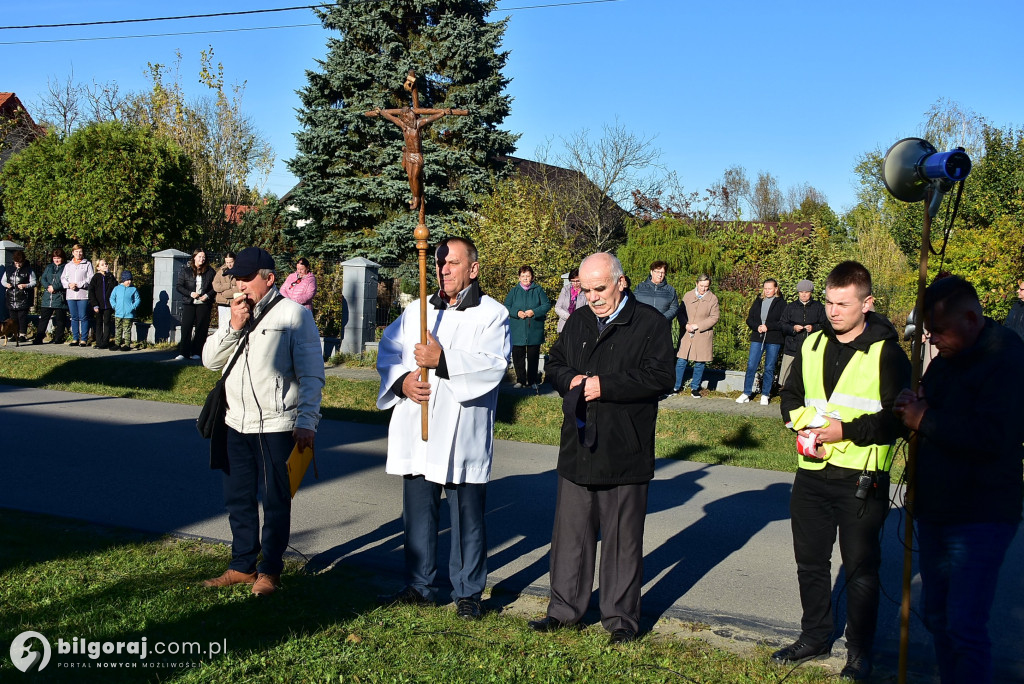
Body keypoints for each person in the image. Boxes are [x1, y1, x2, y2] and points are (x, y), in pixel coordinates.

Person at [530, 252, 674, 644]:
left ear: (621, 282)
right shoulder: (578, 320)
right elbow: (554, 363)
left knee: (621, 543)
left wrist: (603, 386)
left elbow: (661, 376)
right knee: (570, 538)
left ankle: (621, 621)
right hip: (578, 445)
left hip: (624, 449)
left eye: (599, 288)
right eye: (585, 289)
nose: (592, 297)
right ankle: (563, 611)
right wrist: (572, 379)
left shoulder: (650, 324)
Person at [775, 261, 911, 680]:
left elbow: (898, 418)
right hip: (811, 474)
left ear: (867, 304)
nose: (832, 311)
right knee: (810, 563)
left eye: (842, 304)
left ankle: (858, 653)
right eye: (829, 302)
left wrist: (843, 431)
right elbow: (790, 397)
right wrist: (806, 428)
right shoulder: (812, 344)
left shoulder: (887, 352)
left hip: (862, 479)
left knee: (860, 569)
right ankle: (814, 635)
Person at [894, 276, 1024, 684]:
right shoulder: (948, 357)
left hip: (981, 513)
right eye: (929, 332)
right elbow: (929, 405)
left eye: (939, 332)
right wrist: (912, 407)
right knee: (937, 617)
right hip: (936, 506)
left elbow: (994, 437)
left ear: (972, 317)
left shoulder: (1007, 359)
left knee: (965, 624)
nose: (933, 341)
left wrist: (926, 419)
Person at [375, 236, 511, 619]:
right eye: (439, 263)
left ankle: (467, 591)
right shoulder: (418, 310)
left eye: (452, 263)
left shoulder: (492, 314)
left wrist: (443, 360)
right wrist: (401, 381)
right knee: (417, 512)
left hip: (460, 429)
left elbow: (494, 365)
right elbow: (388, 352)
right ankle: (419, 584)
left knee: (466, 515)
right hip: (420, 427)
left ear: (473, 268)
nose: (443, 269)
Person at [201, 247, 325, 597]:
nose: (239, 283)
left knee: (275, 500)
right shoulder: (233, 313)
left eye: (246, 277)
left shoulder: (294, 315)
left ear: (269, 278)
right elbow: (210, 362)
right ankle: (242, 565)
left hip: (276, 425)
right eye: (236, 277)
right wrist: (233, 327)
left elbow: (312, 374)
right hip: (233, 421)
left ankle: (269, 570)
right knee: (237, 498)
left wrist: (307, 421)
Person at [737, 278, 786, 405]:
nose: (767, 291)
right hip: (757, 337)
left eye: (770, 288)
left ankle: (765, 394)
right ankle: (746, 392)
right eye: (765, 288)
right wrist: (757, 326)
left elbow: (782, 322)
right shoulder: (758, 301)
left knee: (769, 367)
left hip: (773, 339)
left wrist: (768, 326)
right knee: (751, 365)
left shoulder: (781, 303)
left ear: (776, 289)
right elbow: (750, 319)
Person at [504, 265, 551, 389]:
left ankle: (532, 381)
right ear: (519, 277)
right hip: (517, 329)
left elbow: (546, 305)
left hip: (534, 330)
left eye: (528, 276)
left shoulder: (538, 290)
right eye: (523, 276)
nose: (525, 278)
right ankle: (520, 380)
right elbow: (506, 306)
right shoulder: (514, 291)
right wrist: (516, 312)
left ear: (532, 277)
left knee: (533, 357)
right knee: (517, 356)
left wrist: (534, 312)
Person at [673, 274, 719, 398]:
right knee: (681, 360)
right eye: (701, 286)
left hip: (703, 334)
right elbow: (680, 312)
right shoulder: (688, 295)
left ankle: (695, 387)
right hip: (687, 332)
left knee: (700, 362)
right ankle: (676, 386)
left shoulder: (713, 299)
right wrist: (685, 324)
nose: (704, 289)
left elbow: (714, 317)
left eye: (706, 286)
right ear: (696, 283)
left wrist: (698, 326)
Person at [779, 280, 827, 390]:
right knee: (787, 374)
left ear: (811, 293)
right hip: (792, 346)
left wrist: (814, 328)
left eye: (806, 292)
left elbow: (825, 324)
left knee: (809, 374)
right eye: (801, 292)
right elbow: (782, 324)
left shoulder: (819, 307)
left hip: (812, 347)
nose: (804, 294)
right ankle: (786, 392)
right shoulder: (791, 307)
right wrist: (793, 328)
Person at [175, 248, 215, 361]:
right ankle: (183, 352)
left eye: (203, 257)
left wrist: (207, 296)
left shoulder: (210, 272)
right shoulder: (186, 271)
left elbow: (214, 287)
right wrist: (190, 293)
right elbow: (179, 286)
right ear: (194, 257)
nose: (202, 259)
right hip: (189, 303)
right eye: (199, 257)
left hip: (203, 304)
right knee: (186, 327)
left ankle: (197, 352)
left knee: (201, 328)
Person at [60, 244, 94, 347]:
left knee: (83, 317)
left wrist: (79, 284)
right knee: (74, 317)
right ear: (73, 252)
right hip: (71, 295)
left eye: (80, 251)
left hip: (83, 295)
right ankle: (75, 338)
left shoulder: (87, 264)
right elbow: (63, 278)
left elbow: (90, 278)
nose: (78, 254)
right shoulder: (68, 265)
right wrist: (69, 285)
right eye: (76, 252)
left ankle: (83, 339)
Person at [33, 248, 68, 345]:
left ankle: (58, 338)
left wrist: (55, 287)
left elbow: (66, 280)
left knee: (60, 319)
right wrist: (48, 286)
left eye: (59, 258)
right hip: (48, 297)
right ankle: (39, 337)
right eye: (55, 258)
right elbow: (43, 278)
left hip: (59, 297)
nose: (56, 260)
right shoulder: (49, 267)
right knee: (43, 319)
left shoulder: (66, 267)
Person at [2, 250, 36, 343]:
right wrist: (6, 285)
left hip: (23, 298)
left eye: (20, 263)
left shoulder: (29, 270)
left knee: (22, 317)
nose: (18, 265)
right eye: (16, 263)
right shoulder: (9, 269)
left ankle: (22, 334)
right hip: (11, 297)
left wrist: (25, 285)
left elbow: (34, 282)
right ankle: (15, 334)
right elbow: (3, 281)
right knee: (13, 318)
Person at [88, 259, 117, 349]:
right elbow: (91, 291)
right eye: (102, 264)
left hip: (108, 304)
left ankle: (105, 342)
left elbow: (115, 286)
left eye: (106, 264)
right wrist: (94, 304)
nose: (105, 265)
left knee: (107, 322)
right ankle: (99, 341)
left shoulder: (110, 276)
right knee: (99, 323)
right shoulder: (95, 277)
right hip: (98, 304)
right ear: (98, 267)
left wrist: (110, 276)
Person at [110, 271, 140, 351]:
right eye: (127, 280)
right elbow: (112, 298)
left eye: (130, 280)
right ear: (123, 280)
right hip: (118, 313)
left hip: (128, 314)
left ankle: (127, 344)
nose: (129, 281)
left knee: (127, 329)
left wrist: (132, 307)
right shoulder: (117, 288)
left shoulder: (133, 289)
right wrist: (114, 306)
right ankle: (117, 344)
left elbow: (137, 300)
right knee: (118, 328)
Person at [213, 252, 239, 331]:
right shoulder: (220, 272)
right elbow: (216, 286)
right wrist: (229, 286)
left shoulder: (239, 272)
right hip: (223, 304)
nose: (229, 264)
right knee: (223, 328)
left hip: (234, 303)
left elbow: (238, 288)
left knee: (234, 328)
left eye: (231, 262)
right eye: (227, 262)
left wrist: (224, 293)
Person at [554, 268, 585, 334]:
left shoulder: (586, 290)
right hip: (564, 326)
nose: (575, 283)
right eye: (573, 281)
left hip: (580, 326)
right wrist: (568, 317)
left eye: (578, 281)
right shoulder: (565, 289)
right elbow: (558, 307)